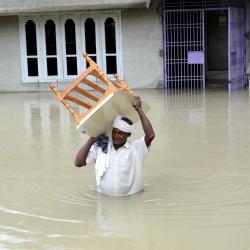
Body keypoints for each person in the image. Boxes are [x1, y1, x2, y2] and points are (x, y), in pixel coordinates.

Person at [74, 96, 155, 196]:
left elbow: (150, 135)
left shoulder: (136, 148)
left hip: (131, 200)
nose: (116, 136)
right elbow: (78, 163)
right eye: (114, 132)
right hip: (105, 202)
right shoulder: (102, 146)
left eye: (120, 133)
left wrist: (139, 110)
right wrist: (91, 139)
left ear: (128, 134)